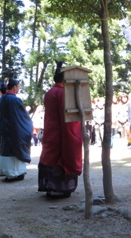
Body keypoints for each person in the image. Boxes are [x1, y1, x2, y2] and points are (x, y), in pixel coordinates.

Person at [38, 61, 83, 197]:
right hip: (61, 133)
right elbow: (69, 119)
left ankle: (48, 186)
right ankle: (61, 188)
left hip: (51, 131)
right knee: (61, 157)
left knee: (49, 156)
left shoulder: (50, 92)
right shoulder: (64, 93)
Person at [0, 77, 33, 181]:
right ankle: (16, 173)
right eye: (18, 86)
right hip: (15, 130)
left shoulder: (2, 99)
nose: (19, 88)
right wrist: (28, 125)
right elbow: (22, 117)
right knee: (15, 153)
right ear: (14, 87)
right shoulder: (15, 100)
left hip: (5, 130)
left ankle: (8, 173)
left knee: (7, 151)